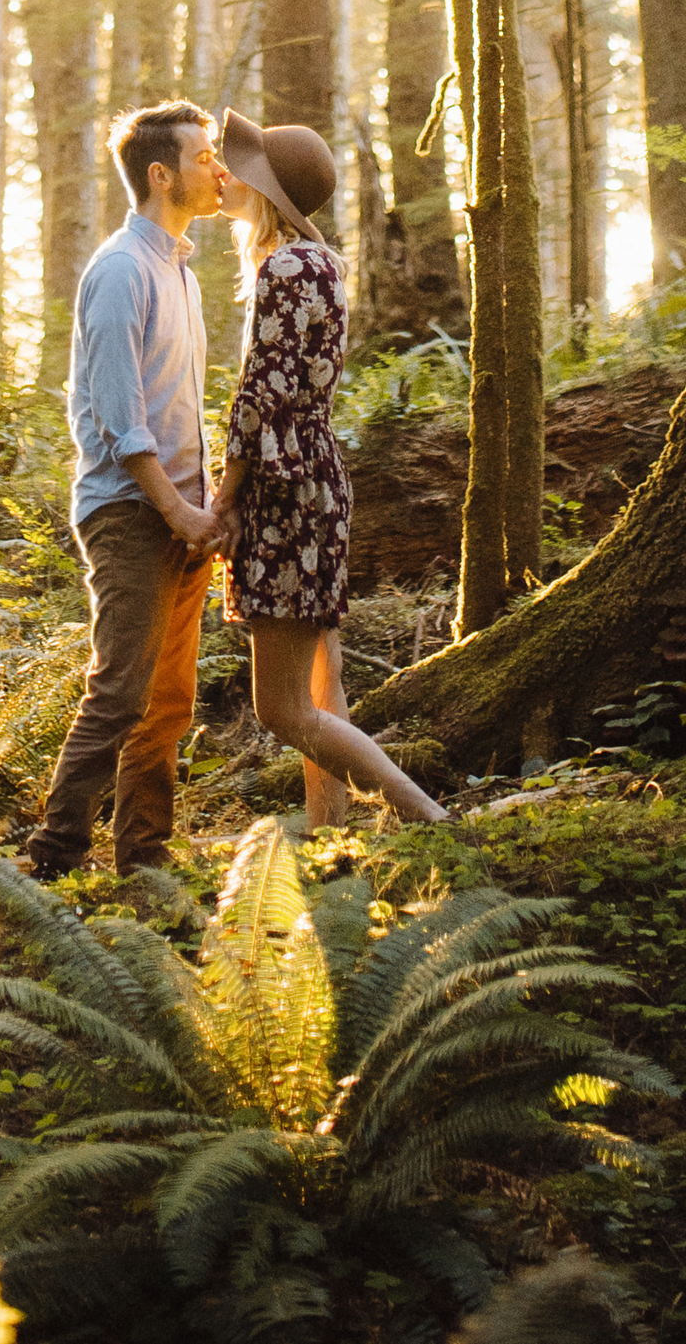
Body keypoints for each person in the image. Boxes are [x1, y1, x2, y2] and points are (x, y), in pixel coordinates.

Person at [211, 106, 445, 830]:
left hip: (286, 488)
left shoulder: (285, 265)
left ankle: (424, 813)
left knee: (279, 708)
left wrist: (225, 498)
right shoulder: (320, 262)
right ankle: (328, 828)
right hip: (315, 477)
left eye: (242, 172)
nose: (227, 178)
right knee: (321, 674)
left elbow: (262, 395)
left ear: (268, 189)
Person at [19, 102, 230, 879]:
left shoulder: (178, 269)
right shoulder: (119, 269)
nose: (219, 169)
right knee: (118, 694)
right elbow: (120, 419)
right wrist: (175, 508)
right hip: (131, 513)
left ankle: (143, 859)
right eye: (205, 156)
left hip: (181, 516)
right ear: (161, 174)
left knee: (168, 704)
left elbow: (178, 408)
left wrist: (202, 508)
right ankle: (50, 857)